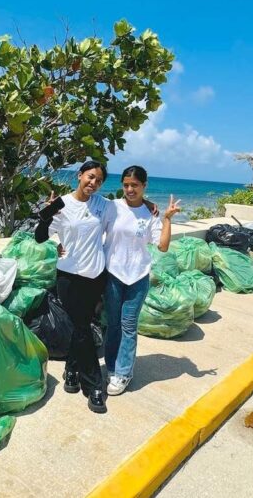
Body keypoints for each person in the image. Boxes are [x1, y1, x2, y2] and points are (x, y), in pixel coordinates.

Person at [34, 161, 111, 413]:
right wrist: (46, 215)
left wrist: (151, 206)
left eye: (99, 180)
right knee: (82, 327)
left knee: (82, 326)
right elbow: (40, 236)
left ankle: (71, 371)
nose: (93, 183)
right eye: (90, 177)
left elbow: (130, 208)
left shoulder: (103, 205)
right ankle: (94, 385)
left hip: (95, 275)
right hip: (68, 276)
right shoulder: (63, 204)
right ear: (80, 176)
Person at [103, 165, 181, 396]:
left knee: (128, 326)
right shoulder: (112, 207)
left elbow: (163, 246)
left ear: (144, 186)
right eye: (126, 185)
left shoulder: (152, 214)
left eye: (134, 185)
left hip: (137, 277)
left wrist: (166, 219)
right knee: (112, 325)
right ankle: (111, 367)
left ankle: (124, 373)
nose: (129, 189)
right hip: (113, 275)